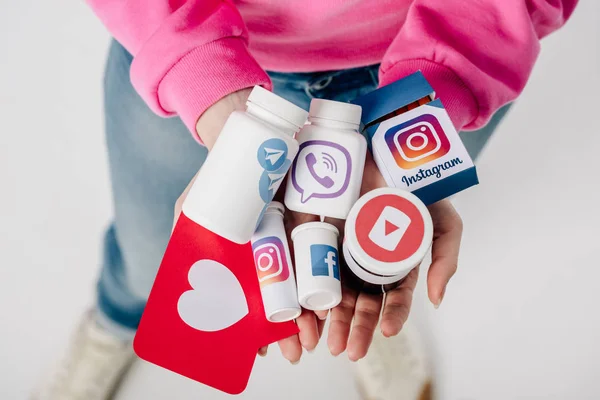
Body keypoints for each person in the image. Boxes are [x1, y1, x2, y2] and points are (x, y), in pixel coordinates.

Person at [33, 1, 576, 399]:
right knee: (154, 247)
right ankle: (117, 320)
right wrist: (207, 79)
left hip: (432, 69)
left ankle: (367, 293)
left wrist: (441, 85)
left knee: (374, 238)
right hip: (195, 48)